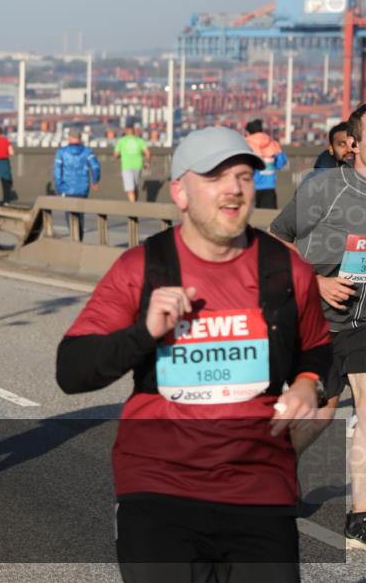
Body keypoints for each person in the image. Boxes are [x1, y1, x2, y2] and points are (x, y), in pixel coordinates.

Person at [56, 126, 332, 582]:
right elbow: (71, 370)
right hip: (159, 487)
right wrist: (145, 332)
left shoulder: (286, 269)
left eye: (243, 177)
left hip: (259, 486)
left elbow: (317, 347)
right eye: (215, 177)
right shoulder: (141, 268)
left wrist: (307, 384)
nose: (233, 189)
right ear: (180, 193)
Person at [270, 102, 366, 549]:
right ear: (354, 144)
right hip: (317, 319)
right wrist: (317, 282)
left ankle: (360, 515)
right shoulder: (323, 188)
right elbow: (276, 238)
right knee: (320, 413)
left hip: (363, 323)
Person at [53, 128, 101, 236]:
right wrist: (95, 180)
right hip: (82, 189)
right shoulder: (87, 152)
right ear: (80, 138)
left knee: (69, 215)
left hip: (66, 189)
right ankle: (79, 237)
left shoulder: (61, 152)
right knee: (80, 215)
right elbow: (95, 167)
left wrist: (59, 187)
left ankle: (74, 237)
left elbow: (57, 172)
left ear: (69, 137)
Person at [245, 119, 287, 209]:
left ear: (248, 132)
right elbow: (281, 162)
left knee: (251, 216)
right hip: (269, 187)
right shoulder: (272, 144)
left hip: (251, 188)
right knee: (269, 216)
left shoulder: (246, 144)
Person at [114, 125, 151, 202]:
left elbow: (116, 155)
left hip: (126, 166)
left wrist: (121, 155)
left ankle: (133, 208)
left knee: (130, 189)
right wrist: (147, 162)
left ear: (126, 131)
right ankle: (134, 205)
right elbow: (147, 152)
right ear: (134, 131)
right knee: (134, 187)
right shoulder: (139, 140)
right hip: (138, 166)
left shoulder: (121, 141)